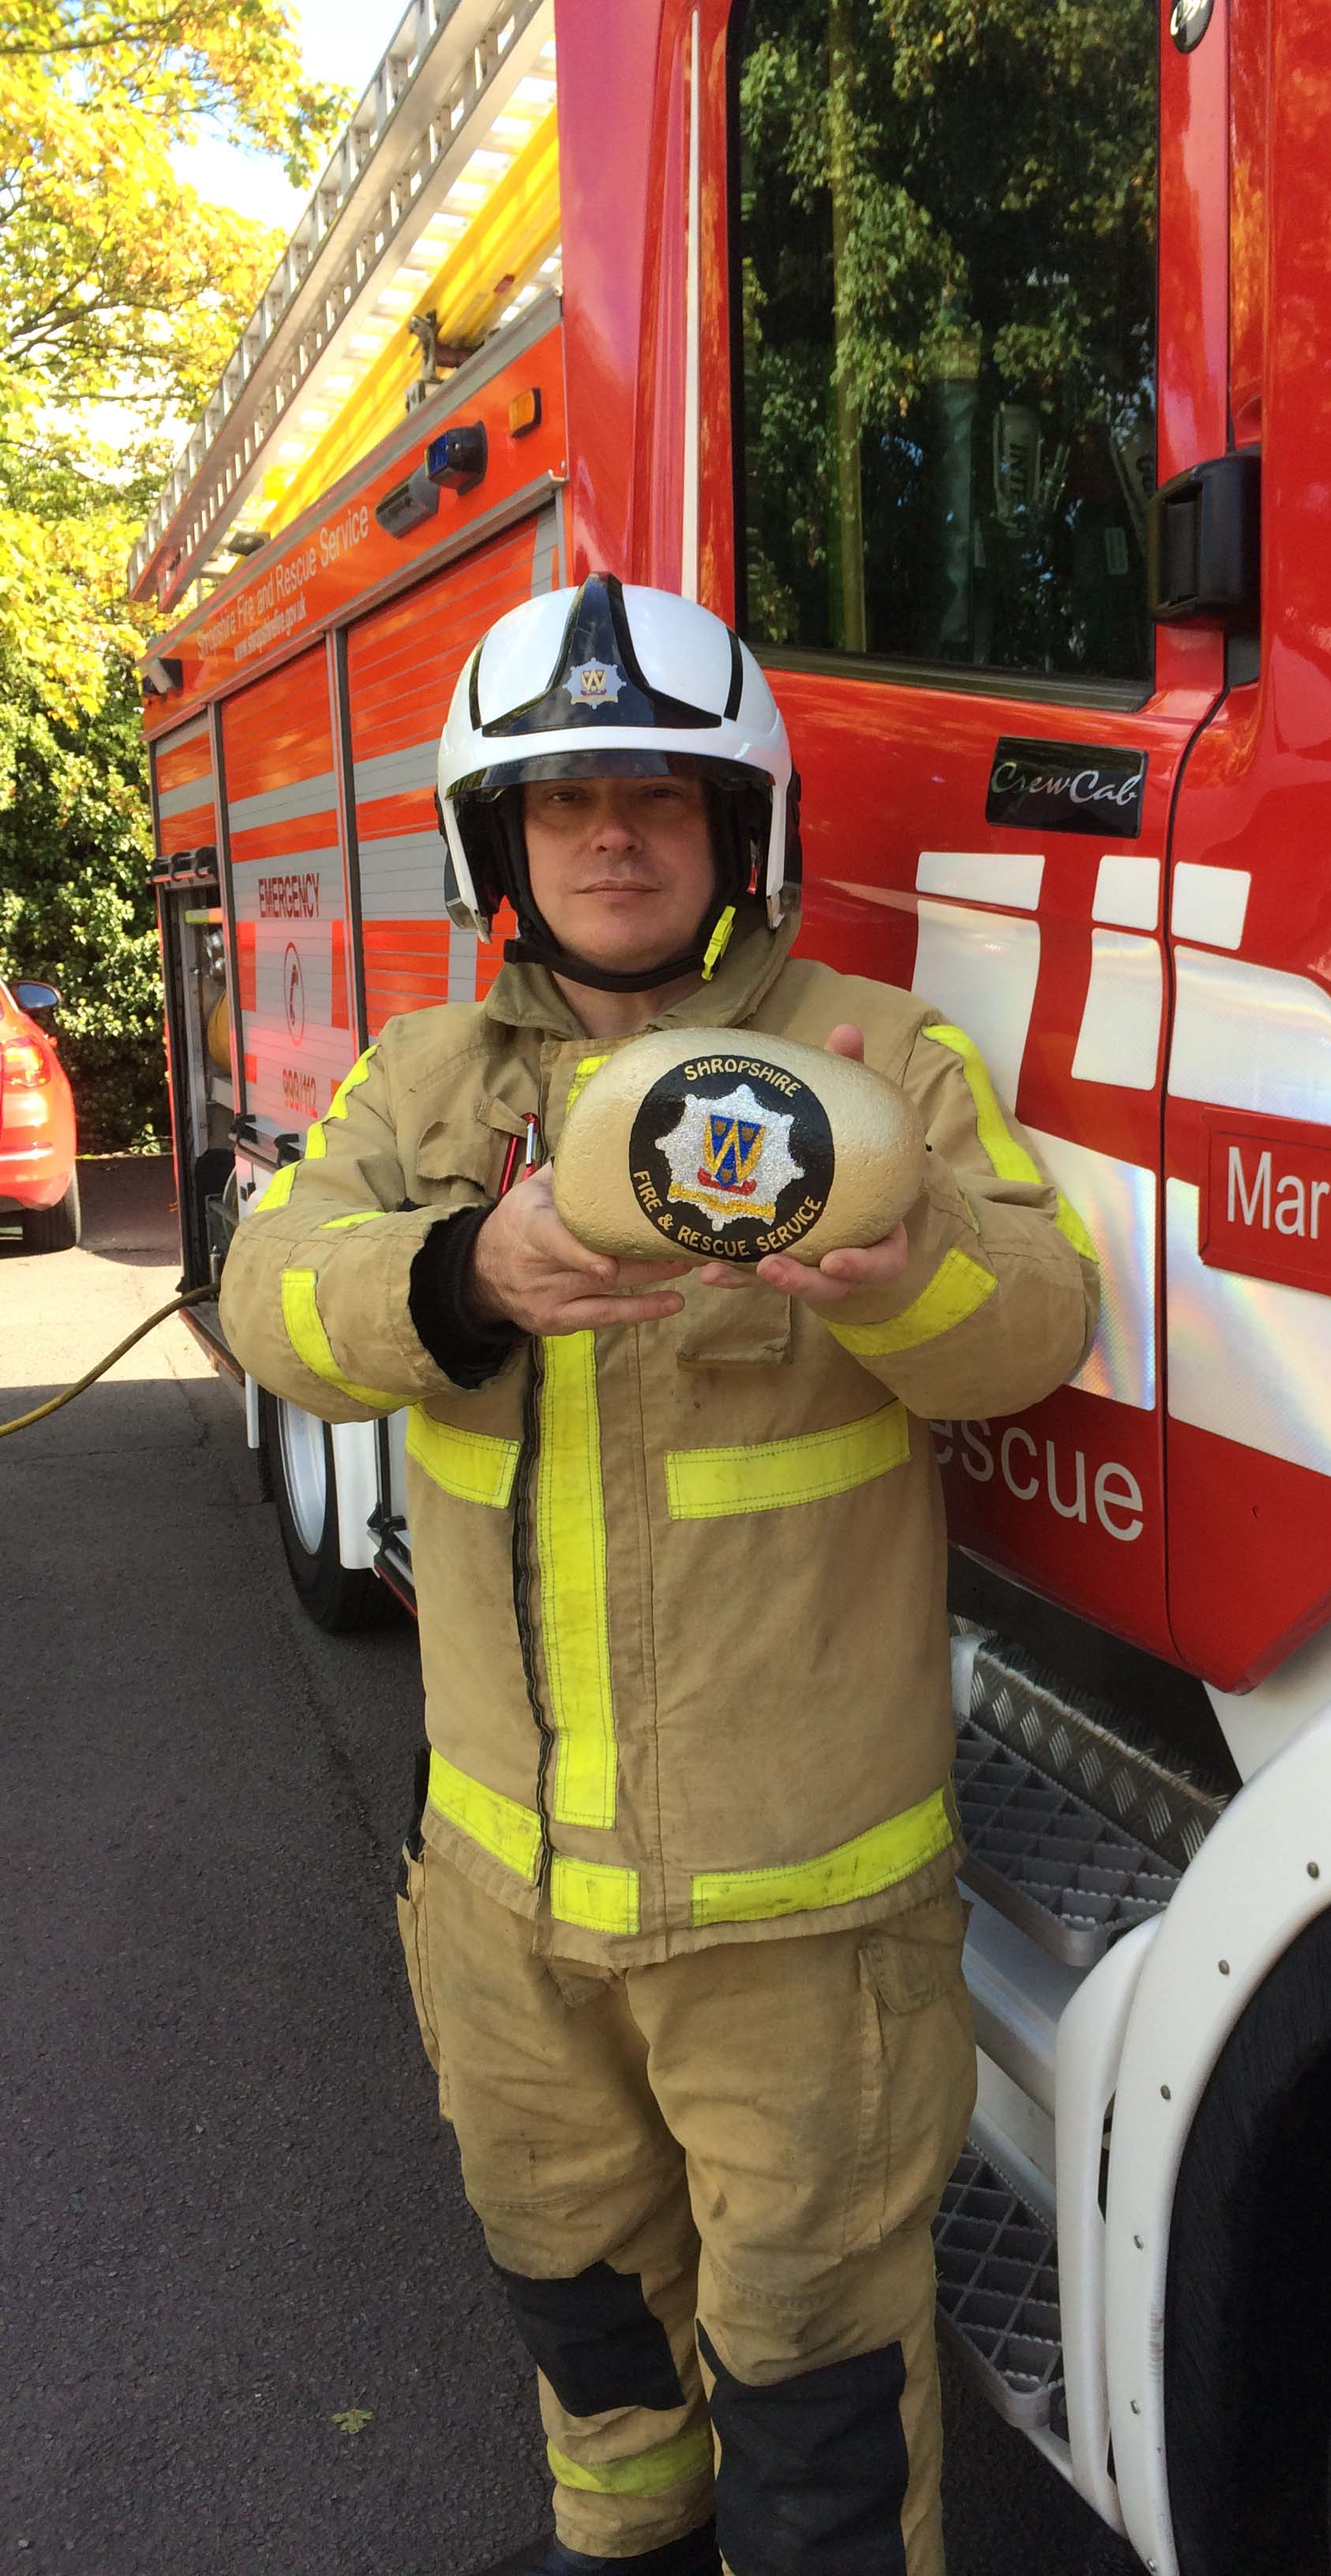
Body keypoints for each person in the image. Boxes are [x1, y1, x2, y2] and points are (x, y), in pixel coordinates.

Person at [219, 573, 1098, 2576]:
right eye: (562, 803)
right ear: (500, 846)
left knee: (813, 2392)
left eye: (658, 797)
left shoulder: (882, 1063)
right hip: (504, 1904)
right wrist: (464, 1271)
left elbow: (1036, 1319)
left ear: (738, 829)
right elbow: (271, 1298)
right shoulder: (424, 1083)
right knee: (587, 2325)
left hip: (796, 1918)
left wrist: (903, 1270)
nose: (611, 835)